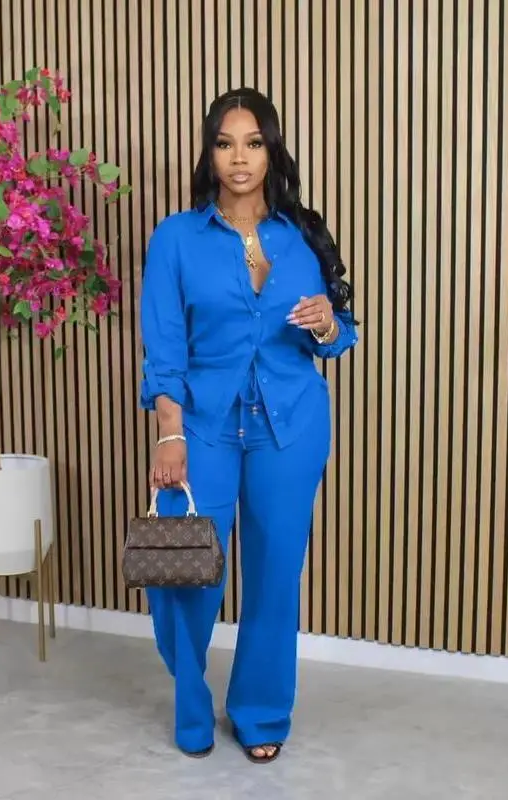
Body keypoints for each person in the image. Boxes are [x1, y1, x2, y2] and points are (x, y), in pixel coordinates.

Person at [138, 87, 358, 764]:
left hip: (290, 427)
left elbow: (339, 333)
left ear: (271, 151)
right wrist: (169, 431)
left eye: (254, 143)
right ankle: (191, 700)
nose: (240, 158)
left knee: (274, 575)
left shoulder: (302, 237)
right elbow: (165, 345)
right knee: (186, 575)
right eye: (226, 143)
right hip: (204, 426)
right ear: (209, 154)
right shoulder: (177, 238)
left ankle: (261, 712)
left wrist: (327, 324)